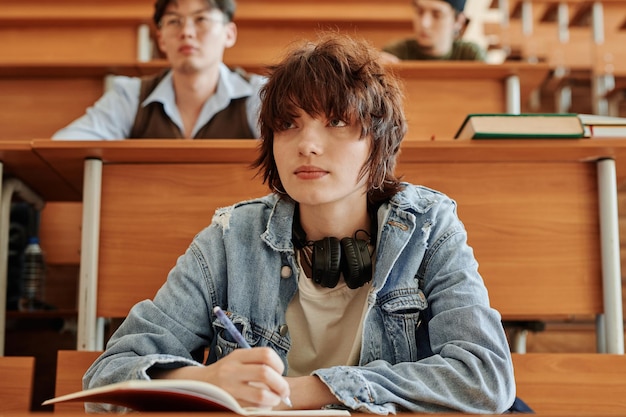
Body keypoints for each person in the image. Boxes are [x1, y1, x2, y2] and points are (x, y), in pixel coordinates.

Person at [83, 32, 518, 414]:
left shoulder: (427, 229)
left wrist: (306, 391)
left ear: (378, 141)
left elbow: (485, 377)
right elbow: (106, 378)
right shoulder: (229, 239)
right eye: (288, 124)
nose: (307, 145)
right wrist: (206, 382)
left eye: (336, 122)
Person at [52, 0, 265, 140]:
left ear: (229, 33)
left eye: (201, 19)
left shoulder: (259, 95)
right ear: (161, 39)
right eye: (174, 21)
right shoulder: (131, 95)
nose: (187, 32)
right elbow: (66, 145)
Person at [381, 0, 486, 63]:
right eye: (419, 12)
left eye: (437, 15)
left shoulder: (470, 57)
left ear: (458, 21)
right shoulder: (395, 53)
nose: (424, 23)